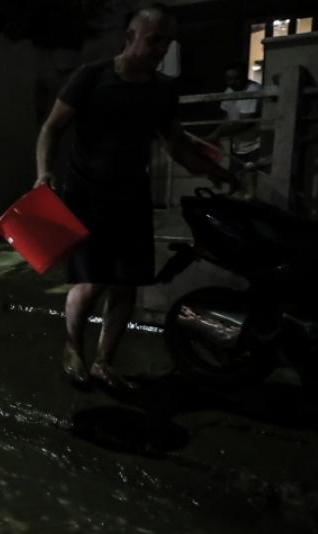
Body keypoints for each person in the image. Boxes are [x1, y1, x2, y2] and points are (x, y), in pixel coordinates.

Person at [34, 3, 238, 390]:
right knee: (92, 282)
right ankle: (72, 347)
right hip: (85, 195)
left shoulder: (162, 90)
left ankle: (104, 363)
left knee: (127, 285)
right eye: (154, 40)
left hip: (131, 197)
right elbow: (51, 129)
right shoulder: (90, 77)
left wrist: (215, 170)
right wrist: (44, 173)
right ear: (129, 38)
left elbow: (175, 145)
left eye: (167, 42)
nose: (161, 49)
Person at [205, 63, 263, 195]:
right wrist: (215, 135)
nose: (232, 82)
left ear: (244, 76)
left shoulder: (253, 90)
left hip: (256, 145)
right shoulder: (229, 91)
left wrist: (217, 134)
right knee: (236, 181)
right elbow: (226, 118)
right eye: (229, 78)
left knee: (252, 185)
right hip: (238, 144)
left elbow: (246, 122)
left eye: (236, 78)